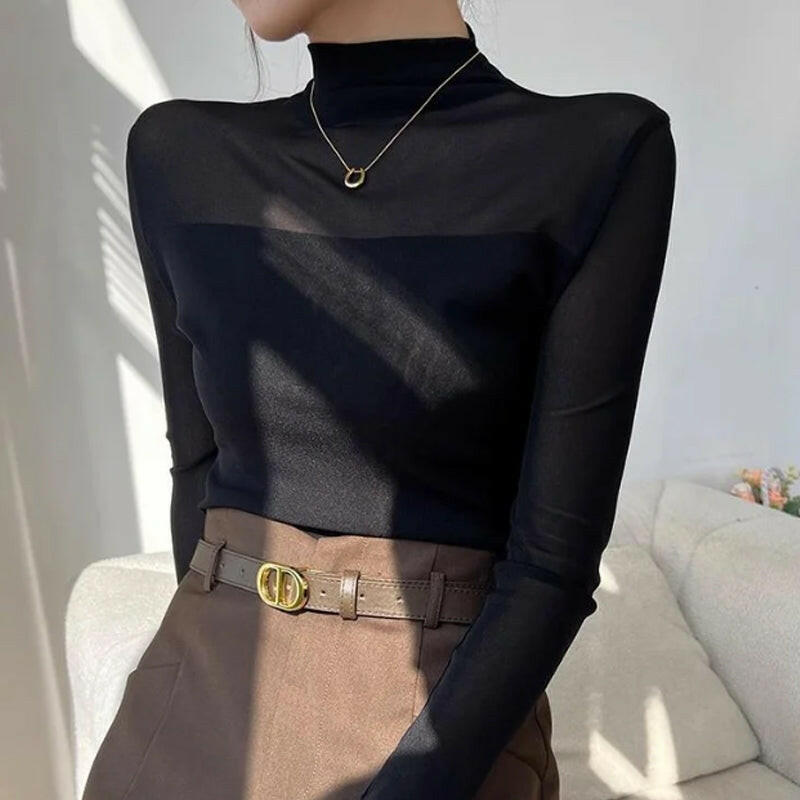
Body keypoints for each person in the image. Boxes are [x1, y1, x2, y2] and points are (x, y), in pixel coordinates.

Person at [81, 2, 676, 799]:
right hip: (193, 702)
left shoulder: (595, 155)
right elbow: (199, 466)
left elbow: (553, 564)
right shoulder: (178, 153)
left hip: (432, 724)